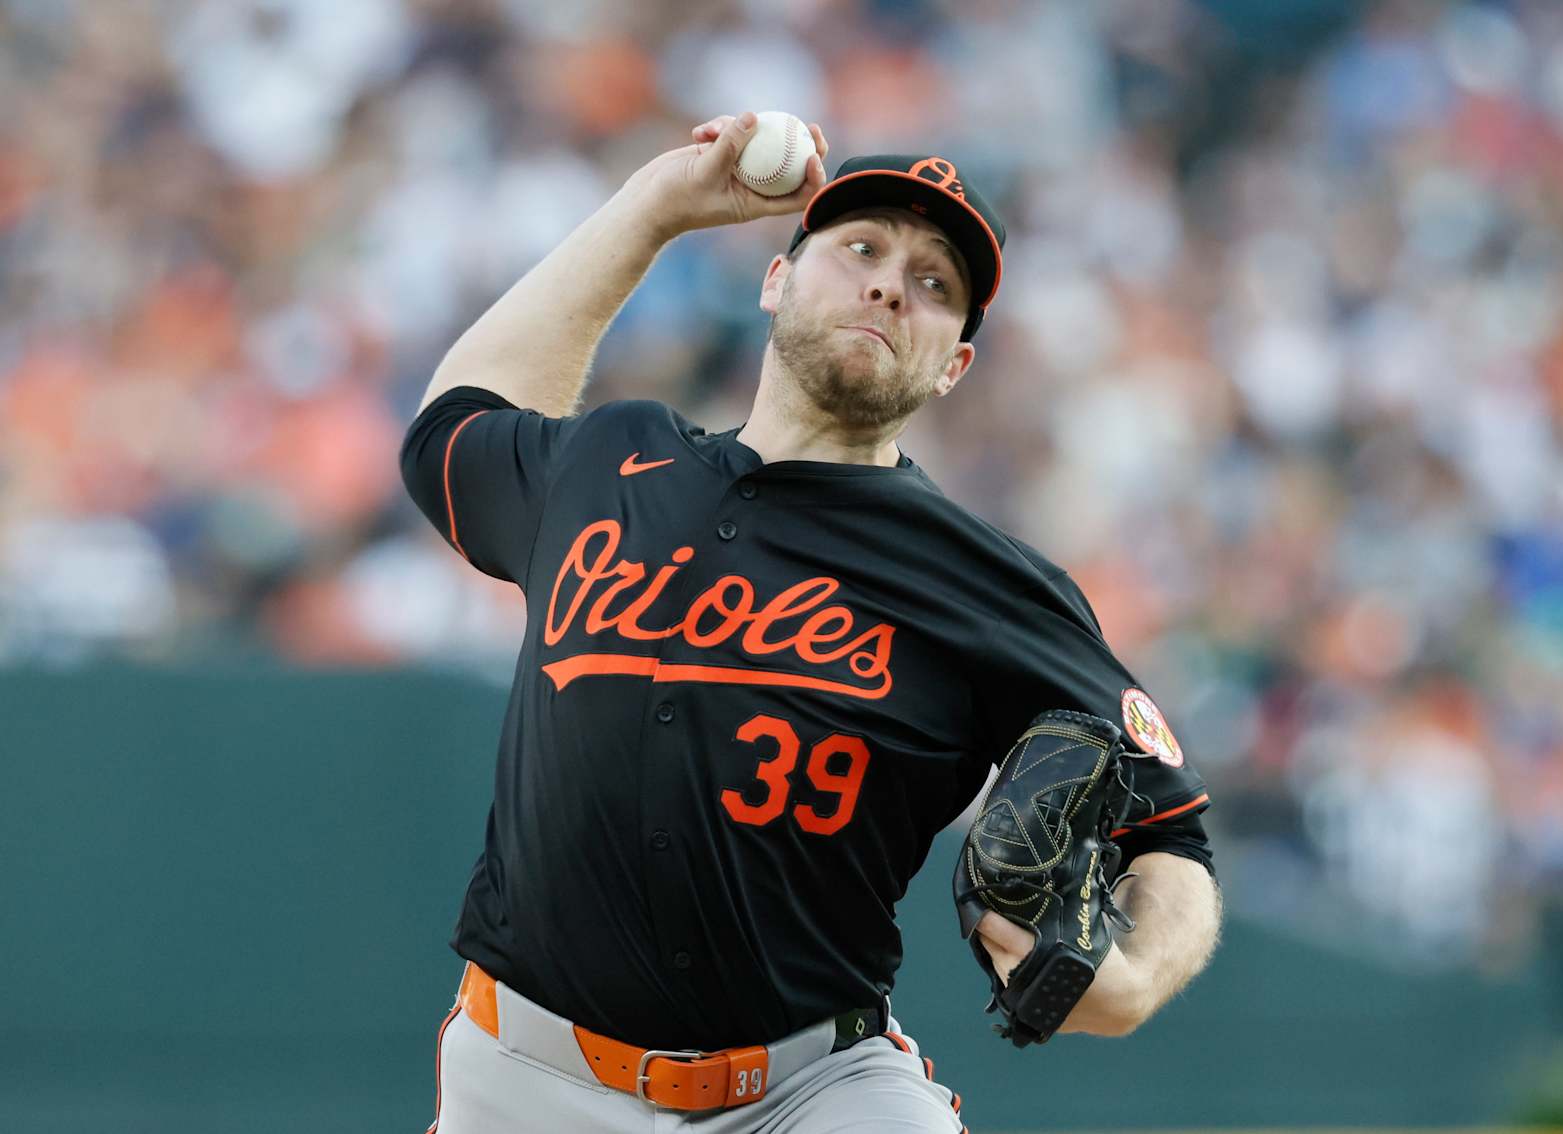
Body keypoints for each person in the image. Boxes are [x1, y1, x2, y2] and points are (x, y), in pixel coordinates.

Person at [399, 110, 1222, 1134]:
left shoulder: (985, 581)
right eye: (862, 249)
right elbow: (453, 427)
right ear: (777, 280)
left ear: (953, 365)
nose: (889, 284)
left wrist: (1138, 974)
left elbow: (1171, 828)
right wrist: (654, 209)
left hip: (808, 1091)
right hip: (526, 1080)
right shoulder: (609, 465)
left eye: (934, 284)